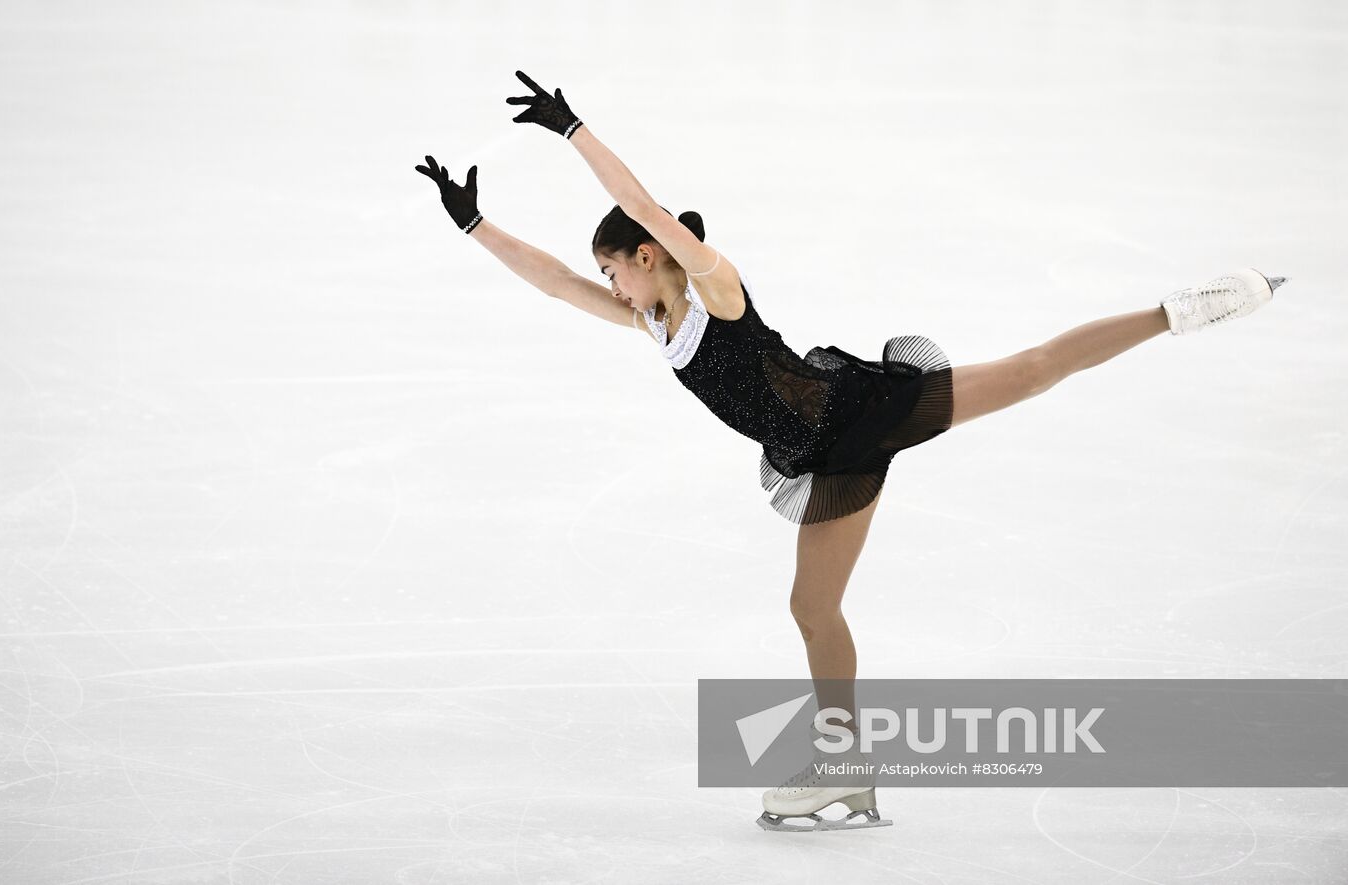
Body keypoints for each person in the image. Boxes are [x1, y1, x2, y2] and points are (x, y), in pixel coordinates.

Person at [416, 70, 1290, 832]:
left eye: (617, 269)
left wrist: (574, 131)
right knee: (810, 608)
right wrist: (474, 226)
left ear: (649, 256)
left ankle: (1182, 310)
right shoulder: (653, 321)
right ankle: (846, 761)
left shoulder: (715, 287)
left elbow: (644, 204)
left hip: (857, 413)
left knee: (1029, 371)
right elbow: (560, 285)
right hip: (822, 455)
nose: (610, 285)